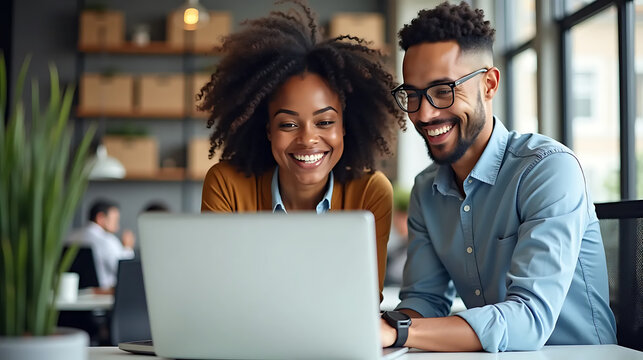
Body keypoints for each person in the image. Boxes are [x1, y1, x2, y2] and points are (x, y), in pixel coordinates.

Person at [379, 1, 617, 352]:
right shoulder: (425, 190)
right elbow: (424, 302)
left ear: (489, 85)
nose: (424, 113)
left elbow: (529, 318)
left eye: (443, 91)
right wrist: (380, 325)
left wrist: (399, 333)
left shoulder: (548, 169)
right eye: (412, 95)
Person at [198, 0, 404, 296]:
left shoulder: (370, 192)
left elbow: (364, 300)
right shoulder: (227, 186)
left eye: (324, 122)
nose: (308, 139)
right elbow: (216, 294)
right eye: (288, 124)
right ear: (268, 129)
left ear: (344, 126)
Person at [67, 200, 135, 290]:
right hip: (102, 295)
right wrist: (128, 248)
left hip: (74, 294)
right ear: (101, 218)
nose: (118, 226)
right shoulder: (107, 240)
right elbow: (125, 272)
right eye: (115, 220)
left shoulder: (70, 237)